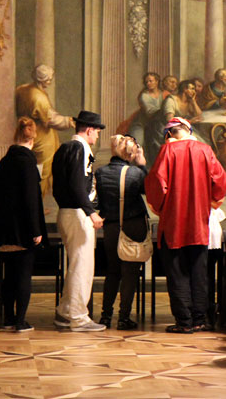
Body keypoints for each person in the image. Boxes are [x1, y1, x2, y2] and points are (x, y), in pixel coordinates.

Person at [145, 118, 226, 333]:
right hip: (199, 222)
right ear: (189, 131)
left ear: (169, 134)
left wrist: (160, 208)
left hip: (174, 222)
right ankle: (200, 320)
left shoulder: (168, 151)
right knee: (199, 273)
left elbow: (157, 183)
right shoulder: (205, 150)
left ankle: (184, 322)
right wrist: (210, 201)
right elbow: (220, 179)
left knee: (177, 273)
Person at [52, 110, 107, 332]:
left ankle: (65, 313)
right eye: (97, 131)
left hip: (67, 211)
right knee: (81, 267)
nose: (98, 136)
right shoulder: (80, 148)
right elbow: (77, 184)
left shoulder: (65, 148)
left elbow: (60, 186)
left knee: (76, 264)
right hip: (77, 214)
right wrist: (90, 212)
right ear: (90, 130)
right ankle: (78, 317)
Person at [0, 118, 48, 332]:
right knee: (23, 274)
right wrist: (35, 230)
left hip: (4, 226)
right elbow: (31, 199)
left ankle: (8, 318)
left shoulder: (3, 162)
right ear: (32, 140)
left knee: (8, 275)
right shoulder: (28, 163)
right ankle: (20, 321)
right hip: (23, 228)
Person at [95, 135, 148, 330]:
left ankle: (106, 316)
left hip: (111, 226)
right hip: (133, 224)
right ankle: (124, 317)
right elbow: (148, 190)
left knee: (112, 271)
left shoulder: (100, 173)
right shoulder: (136, 173)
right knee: (130, 272)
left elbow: (97, 202)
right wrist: (142, 165)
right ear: (131, 154)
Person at [15, 64, 75, 196]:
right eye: (49, 79)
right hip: (41, 138)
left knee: (32, 171)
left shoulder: (22, 89)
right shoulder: (38, 97)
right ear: (42, 79)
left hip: (27, 133)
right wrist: (68, 121)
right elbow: (51, 119)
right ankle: (37, 201)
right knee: (42, 173)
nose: (50, 81)